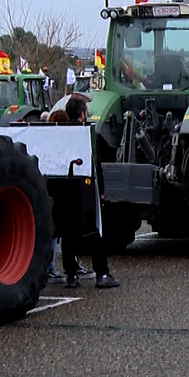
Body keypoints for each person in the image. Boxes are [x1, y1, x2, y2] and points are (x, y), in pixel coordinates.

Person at [56, 95, 119, 289]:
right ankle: (102, 273)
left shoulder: (59, 133)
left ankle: (71, 275)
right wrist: (102, 190)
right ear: (83, 113)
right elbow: (95, 163)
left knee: (67, 232)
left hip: (63, 186)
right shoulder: (86, 133)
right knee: (93, 230)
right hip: (84, 187)